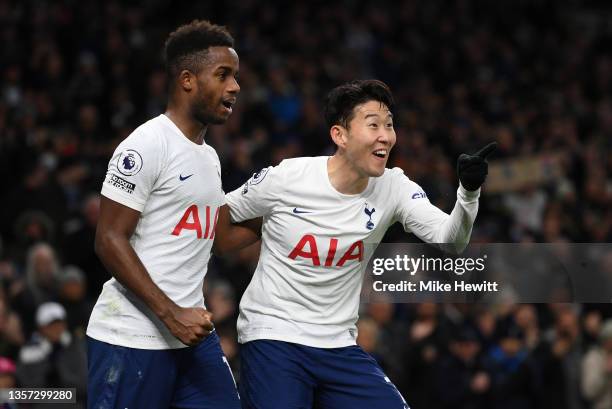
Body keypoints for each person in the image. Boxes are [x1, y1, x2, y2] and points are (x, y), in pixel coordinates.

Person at [219, 80, 496, 408]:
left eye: (390, 125)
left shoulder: (394, 186)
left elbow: (452, 241)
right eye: (373, 124)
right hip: (274, 336)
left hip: (338, 344)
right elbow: (217, 218)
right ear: (340, 135)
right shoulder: (287, 178)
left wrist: (468, 192)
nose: (385, 136)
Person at [87, 20, 244, 409]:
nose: (235, 87)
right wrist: (171, 314)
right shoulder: (146, 144)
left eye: (235, 76)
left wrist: (281, 207)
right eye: (223, 75)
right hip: (132, 337)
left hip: (190, 336)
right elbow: (108, 239)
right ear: (187, 80)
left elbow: (219, 240)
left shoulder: (208, 156)